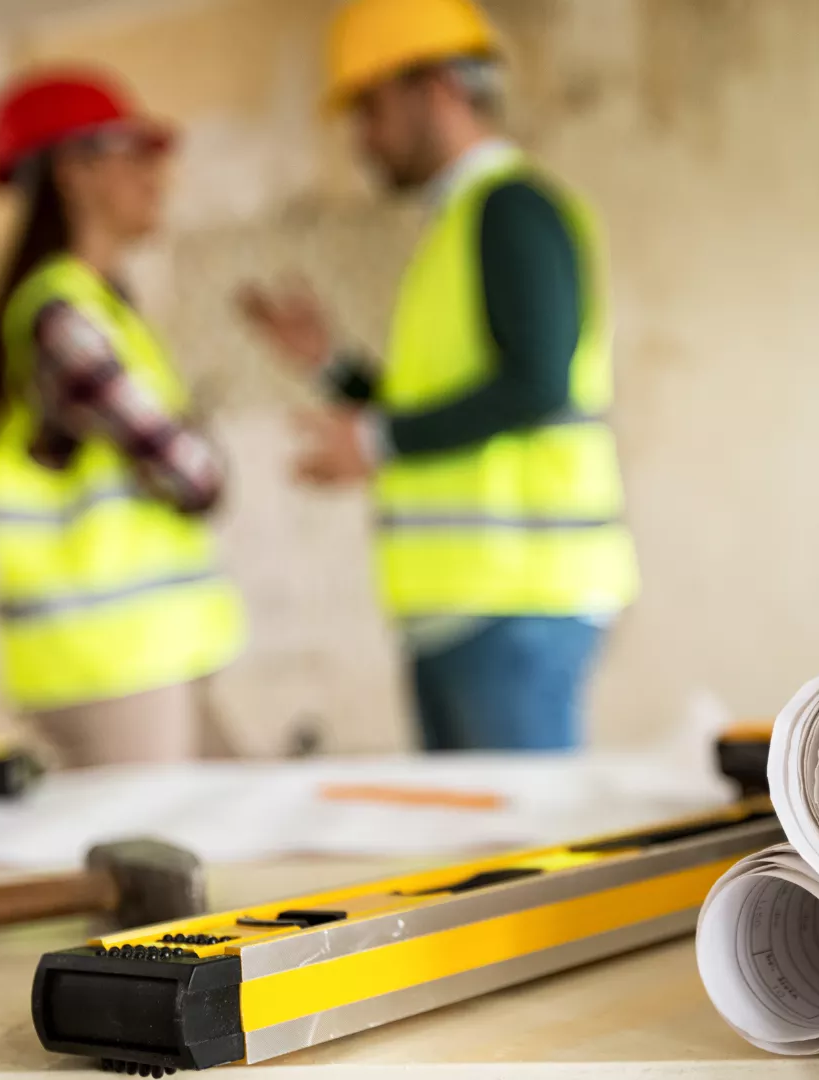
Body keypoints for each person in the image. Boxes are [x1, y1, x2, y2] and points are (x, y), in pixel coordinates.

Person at [237, 0, 638, 752]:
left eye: (372, 107)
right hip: (469, 603)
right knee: (485, 862)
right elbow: (444, 403)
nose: (363, 138)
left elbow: (536, 385)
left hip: (517, 599)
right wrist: (333, 367)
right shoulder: (458, 225)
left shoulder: (513, 211)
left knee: (527, 860)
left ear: (441, 88)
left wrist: (377, 441)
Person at [0, 69, 247, 767]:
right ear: (74, 169)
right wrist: (198, 440)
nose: (158, 176)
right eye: (133, 153)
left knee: (252, 830)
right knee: (172, 861)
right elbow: (194, 476)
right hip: (110, 664)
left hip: (141, 657)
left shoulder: (98, 307)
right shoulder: (67, 317)